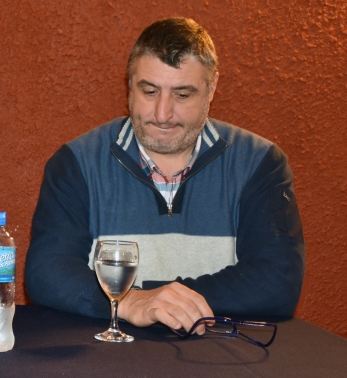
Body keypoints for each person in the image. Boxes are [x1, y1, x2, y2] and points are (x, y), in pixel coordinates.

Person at [25, 17, 305, 332]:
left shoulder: (259, 163)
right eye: (149, 91)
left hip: (217, 364)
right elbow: (46, 271)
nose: (162, 114)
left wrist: (163, 301)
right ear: (129, 85)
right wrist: (130, 303)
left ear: (211, 89)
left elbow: (278, 279)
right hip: (104, 364)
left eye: (182, 95)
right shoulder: (77, 163)